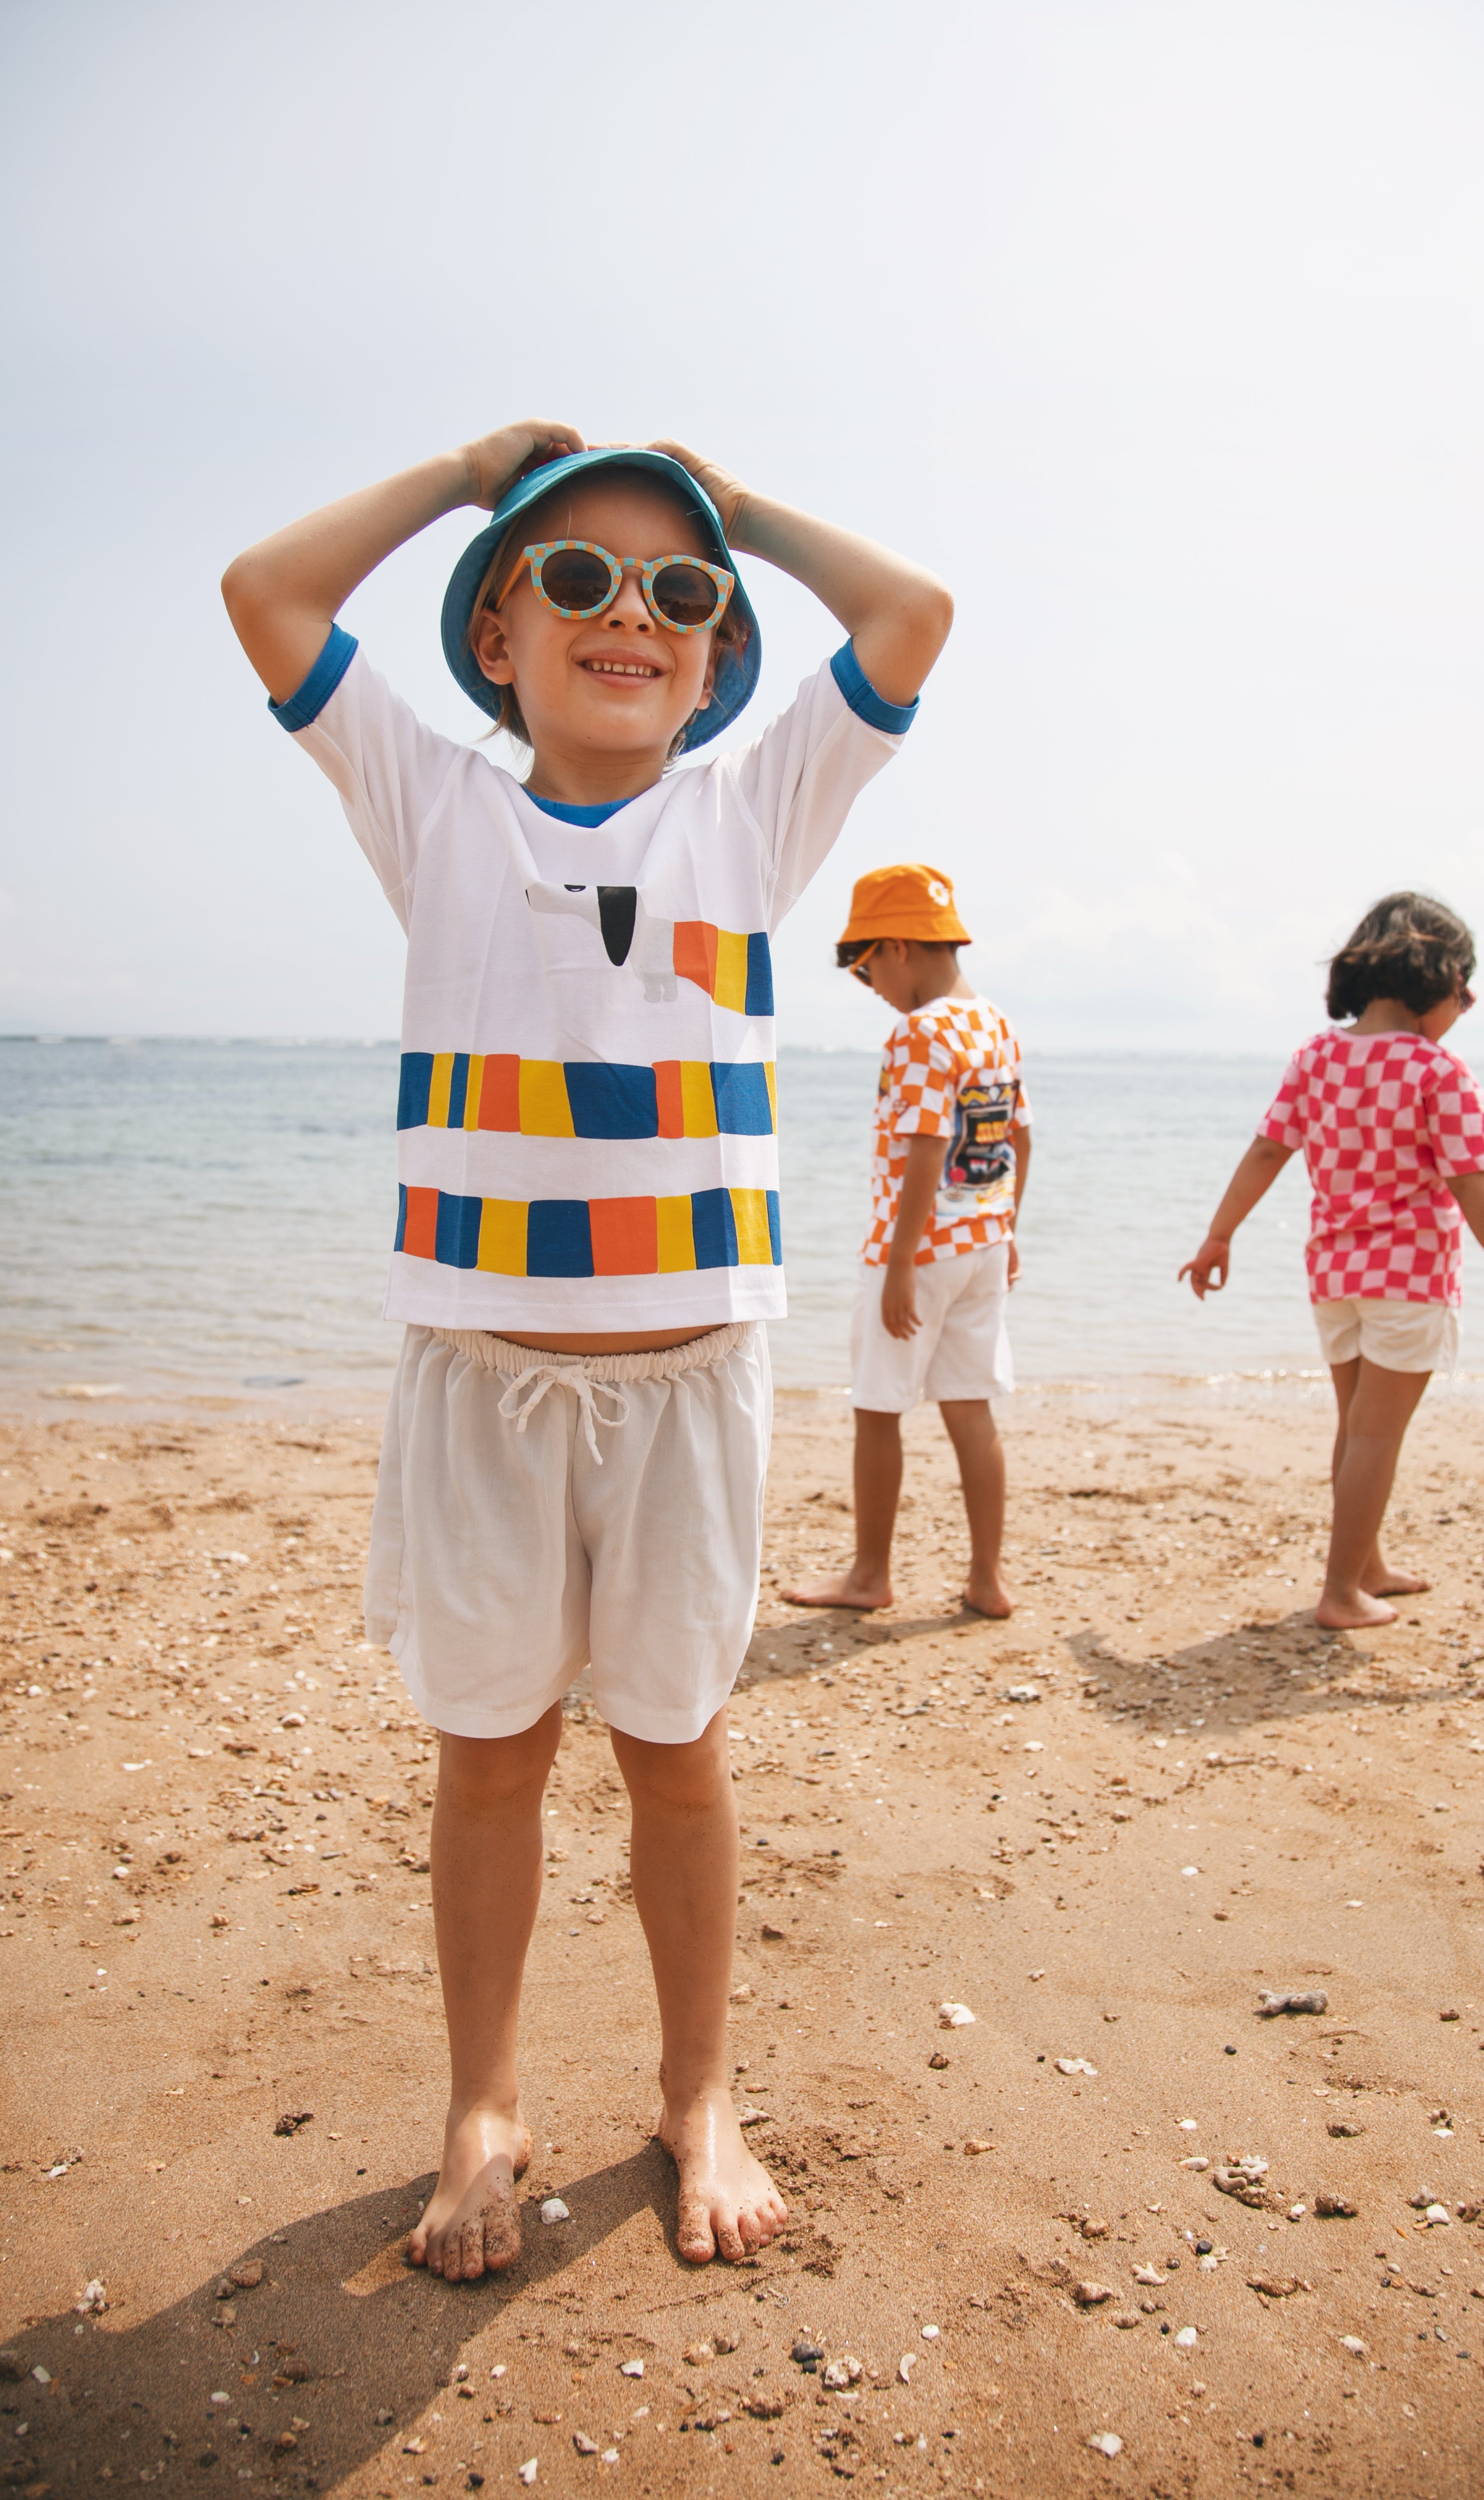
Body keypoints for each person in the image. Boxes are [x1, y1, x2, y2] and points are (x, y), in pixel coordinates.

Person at [221, 421, 952, 2279]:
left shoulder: (751, 817)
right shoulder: (433, 800)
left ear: (719, 658)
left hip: (691, 1386)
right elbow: (270, 595)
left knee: (679, 1752)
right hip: (480, 1384)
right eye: (578, 577)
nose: (632, 612)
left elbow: (914, 610)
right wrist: (470, 479)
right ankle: (482, 2104)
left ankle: (699, 2091)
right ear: (495, 634)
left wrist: (749, 512)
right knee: (488, 1755)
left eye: (681, 593)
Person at [1178, 891, 1484, 1630]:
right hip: (1409, 1279)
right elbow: (1471, 1189)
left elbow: (1270, 1149)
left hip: (1334, 1277)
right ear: (1433, 981)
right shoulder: (1439, 1073)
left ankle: (1367, 1565)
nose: (1472, 1000)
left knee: (1354, 1426)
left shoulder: (1318, 1056)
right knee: (1376, 1435)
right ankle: (1339, 1594)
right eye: (1465, 985)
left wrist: (1219, 1234)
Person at [784, 865, 1030, 1620]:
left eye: (866, 973)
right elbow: (1018, 1132)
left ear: (896, 947)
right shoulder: (991, 1020)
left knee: (877, 1408)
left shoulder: (918, 1033)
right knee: (971, 1408)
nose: (874, 991)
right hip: (983, 1243)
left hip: (919, 1253)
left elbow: (926, 1147)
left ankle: (869, 1576)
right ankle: (987, 1579)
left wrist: (896, 1265)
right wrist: (1009, 1226)